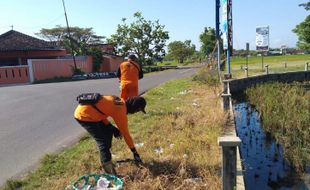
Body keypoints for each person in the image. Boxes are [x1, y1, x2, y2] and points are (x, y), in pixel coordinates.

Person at [74, 95, 146, 175]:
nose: (135, 113)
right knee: (103, 141)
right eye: (137, 110)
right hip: (84, 116)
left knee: (108, 132)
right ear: (134, 108)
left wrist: (110, 127)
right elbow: (126, 134)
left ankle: (106, 158)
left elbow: (100, 111)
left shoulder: (118, 101)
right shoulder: (120, 111)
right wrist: (134, 152)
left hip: (89, 111)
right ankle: (110, 173)